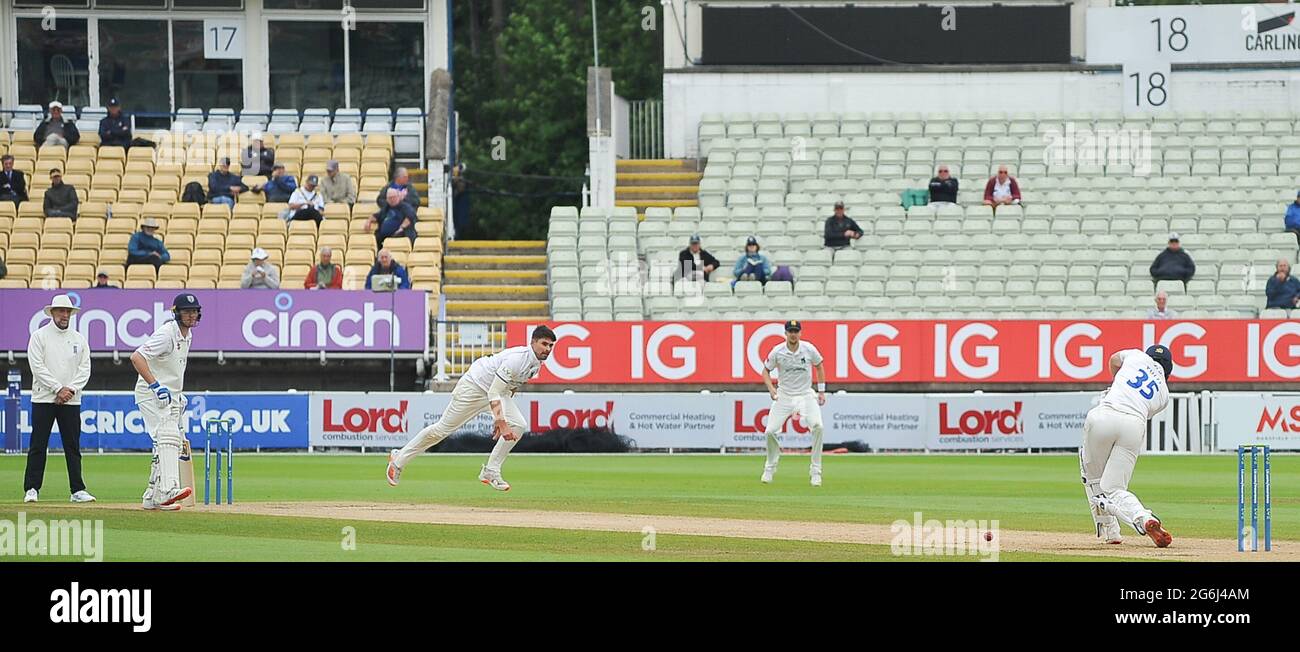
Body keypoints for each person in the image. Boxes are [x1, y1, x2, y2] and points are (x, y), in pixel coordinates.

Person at [386, 326, 557, 492]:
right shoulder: (517, 359)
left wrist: (500, 417)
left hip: (495, 393)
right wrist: (501, 421)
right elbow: (493, 392)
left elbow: (509, 388)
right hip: (474, 387)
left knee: (518, 425)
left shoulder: (536, 364)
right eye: (544, 344)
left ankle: (491, 471)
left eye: (551, 345)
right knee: (440, 431)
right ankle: (398, 460)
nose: (548, 349)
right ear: (533, 342)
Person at [1080, 345, 1175, 547]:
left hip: (1104, 416)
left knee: (1093, 479)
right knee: (1114, 487)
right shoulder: (1164, 394)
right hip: (1134, 425)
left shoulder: (1136, 355)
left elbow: (1114, 359)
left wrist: (1117, 381)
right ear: (1168, 370)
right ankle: (1143, 517)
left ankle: (1111, 532)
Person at [23, 295, 95, 504]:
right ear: (52, 313)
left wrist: (69, 390)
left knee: (72, 446)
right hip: (44, 398)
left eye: (67, 312)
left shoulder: (79, 338)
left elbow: (85, 368)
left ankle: (77, 490)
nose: (64, 315)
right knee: (38, 444)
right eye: (60, 311)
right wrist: (57, 389)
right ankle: (32, 488)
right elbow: (37, 366)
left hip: (71, 400)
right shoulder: (39, 336)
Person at [131, 293, 200, 511]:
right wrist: (155, 385)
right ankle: (168, 490)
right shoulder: (166, 334)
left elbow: (174, 370)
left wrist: (178, 395)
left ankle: (151, 495)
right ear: (176, 312)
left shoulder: (186, 335)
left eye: (194, 311)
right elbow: (136, 357)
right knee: (166, 436)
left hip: (171, 395)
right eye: (186, 311)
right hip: (151, 393)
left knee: (169, 441)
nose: (191, 315)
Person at [759, 320, 827, 487]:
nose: (793, 334)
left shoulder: (808, 349)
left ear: (800, 333)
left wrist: (821, 391)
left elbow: (819, 366)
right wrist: (771, 389)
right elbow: (765, 371)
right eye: (791, 331)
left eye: (796, 331)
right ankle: (770, 467)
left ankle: (816, 471)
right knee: (770, 431)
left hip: (805, 395)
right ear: (786, 333)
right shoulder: (778, 351)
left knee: (818, 426)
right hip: (784, 396)